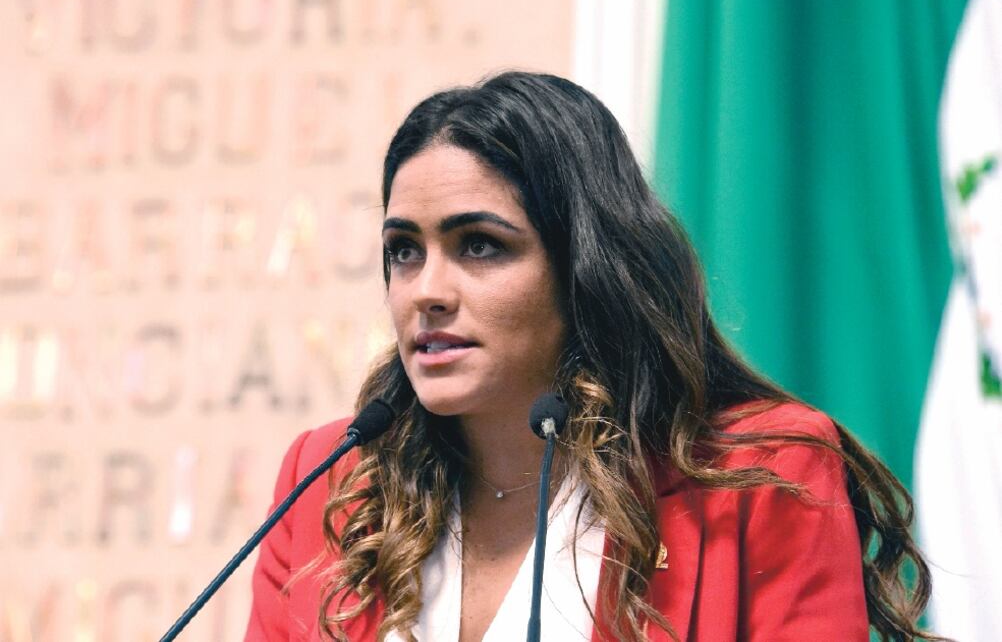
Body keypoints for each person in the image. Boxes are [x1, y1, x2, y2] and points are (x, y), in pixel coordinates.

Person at [245, 72, 937, 641]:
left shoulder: (762, 476)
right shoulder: (329, 482)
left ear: (586, 267)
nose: (426, 291)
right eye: (404, 251)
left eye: (480, 245)